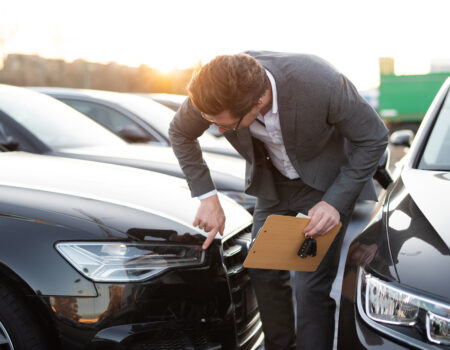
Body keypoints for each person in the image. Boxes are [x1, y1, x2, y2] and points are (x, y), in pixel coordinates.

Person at [168, 51, 388, 350]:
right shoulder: (214, 91)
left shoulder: (322, 82)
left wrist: (334, 203)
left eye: (225, 126)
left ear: (258, 102)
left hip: (326, 186)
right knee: (263, 267)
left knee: (309, 284)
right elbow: (180, 132)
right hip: (273, 185)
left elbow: (373, 137)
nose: (218, 130)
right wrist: (208, 197)